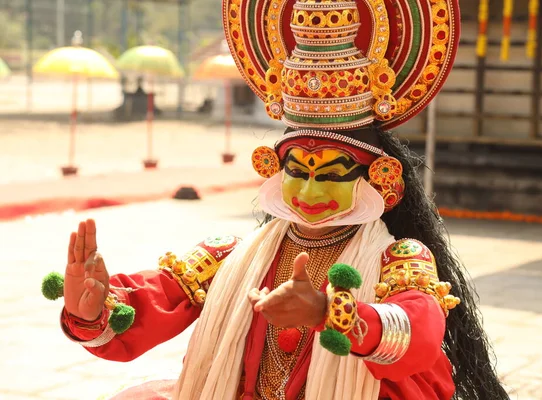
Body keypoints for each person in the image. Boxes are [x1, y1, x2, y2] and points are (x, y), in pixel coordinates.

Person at [52, 0, 511, 398]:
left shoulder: (401, 259)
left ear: (379, 177)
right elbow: (154, 302)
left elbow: (418, 336)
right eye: (296, 171)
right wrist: (94, 308)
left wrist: (335, 314)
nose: (309, 192)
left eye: (331, 175)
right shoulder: (231, 258)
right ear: (272, 169)